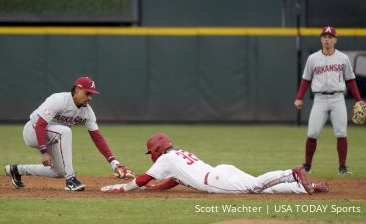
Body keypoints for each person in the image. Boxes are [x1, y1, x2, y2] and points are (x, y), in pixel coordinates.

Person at [5, 76, 135, 191]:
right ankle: (71, 180)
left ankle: (16, 170)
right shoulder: (59, 99)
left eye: (92, 95)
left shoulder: (87, 111)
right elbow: (40, 125)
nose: (89, 97)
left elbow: (97, 137)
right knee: (65, 131)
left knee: (59, 171)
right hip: (32, 131)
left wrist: (114, 163)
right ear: (77, 89)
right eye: (87, 93)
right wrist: (43, 151)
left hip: (53, 136)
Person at [100, 133, 328, 194]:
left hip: (215, 181)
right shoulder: (178, 153)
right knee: (261, 187)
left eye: (151, 151)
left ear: (157, 150)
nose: (152, 155)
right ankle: (306, 187)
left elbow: (141, 180)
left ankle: (292, 173)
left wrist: (123, 187)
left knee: (256, 186)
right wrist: (155, 188)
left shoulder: (166, 159)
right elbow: (174, 181)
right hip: (222, 170)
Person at [294, 26, 364, 175]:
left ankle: (342, 167)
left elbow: (351, 80)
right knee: (312, 132)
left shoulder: (343, 58)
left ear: (335, 40)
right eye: (324, 37)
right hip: (320, 99)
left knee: (341, 132)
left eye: (330, 37)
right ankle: (307, 165)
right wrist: (299, 97)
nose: (327, 39)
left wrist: (358, 100)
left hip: (338, 98)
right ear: (321, 39)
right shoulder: (313, 58)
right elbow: (306, 79)